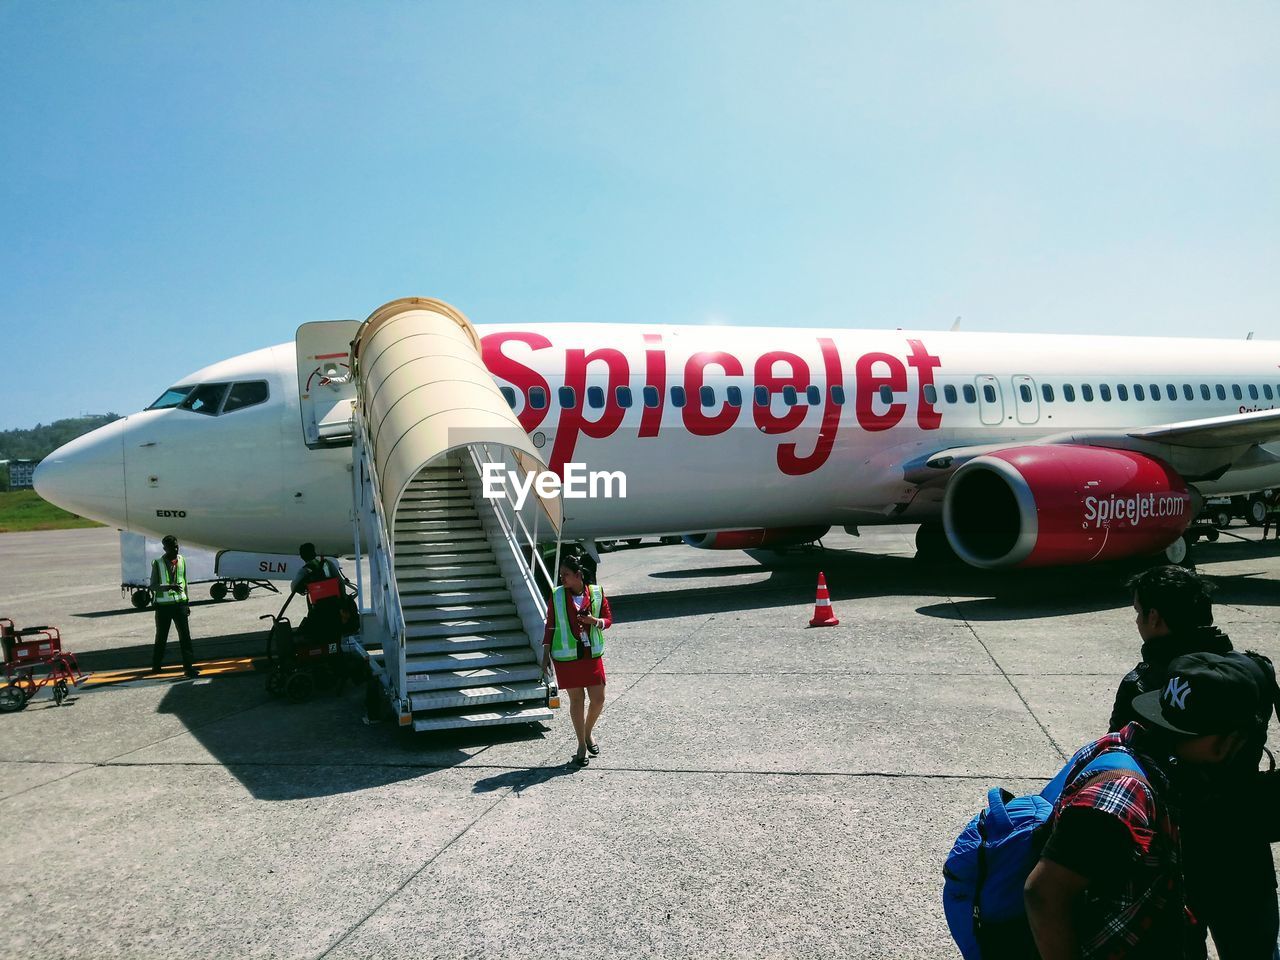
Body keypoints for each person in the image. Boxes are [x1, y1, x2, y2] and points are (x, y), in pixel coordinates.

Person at [1026, 652, 1267, 960]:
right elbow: (1043, 894)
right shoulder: (1122, 796)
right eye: (1238, 737)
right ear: (1220, 740)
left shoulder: (1131, 745)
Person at [1109, 565, 1280, 960]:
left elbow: (1125, 763)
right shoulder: (1253, 670)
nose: (1137, 622)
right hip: (1244, 843)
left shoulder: (1145, 685)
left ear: (1155, 617)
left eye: (1138, 612)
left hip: (1174, 852)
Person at [541, 551, 611, 767]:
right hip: (567, 656)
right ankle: (581, 744)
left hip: (591, 655)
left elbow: (608, 620)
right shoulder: (557, 594)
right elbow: (550, 624)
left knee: (598, 699)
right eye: (561, 575)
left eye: (566, 575)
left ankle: (588, 732)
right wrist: (545, 655)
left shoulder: (597, 593)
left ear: (579, 575)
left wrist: (594, 621)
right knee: (577, 700)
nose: (562, 579)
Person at [150, 534, 198, 678]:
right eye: (172, 548)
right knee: (161, 637)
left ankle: (189, 667)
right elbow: (153, 586)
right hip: (164, 607)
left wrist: (187, 602)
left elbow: (185, 582)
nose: (176, 550)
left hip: (180, 605)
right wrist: (169, 586)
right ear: (165, 548)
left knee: (185, 637)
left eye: (177, 547)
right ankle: (156, 665)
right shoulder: (158, 563)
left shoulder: (182, 560)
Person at [291, 543, 343, 643]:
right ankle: (336, 653)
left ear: (302, 556)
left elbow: (294, 587)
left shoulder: (305, 570)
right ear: (314, 553)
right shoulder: (327, 564)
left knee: (320, 638)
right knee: (335, 638)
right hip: (334, 607)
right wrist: (343, 602)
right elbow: (340, 583)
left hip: (319, 611)